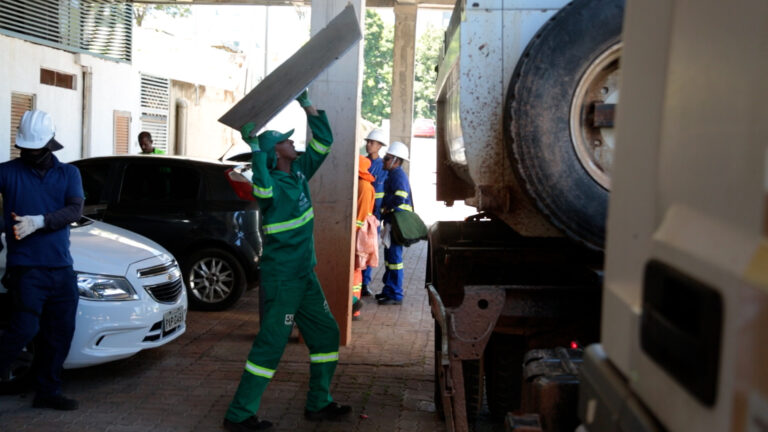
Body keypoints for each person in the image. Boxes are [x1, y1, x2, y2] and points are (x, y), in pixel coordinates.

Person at [223, 90, 351, 432]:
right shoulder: (272, 186)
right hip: (282, 280)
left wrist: (306, 104)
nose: (293, 145)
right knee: (271, 345)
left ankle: (319, 403)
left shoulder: (297, 174)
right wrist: (254, 148)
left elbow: (325, 141)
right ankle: (239, 415)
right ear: (274, 153)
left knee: (326, 335)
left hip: (304, 275)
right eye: (285, 142)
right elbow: (261, 190)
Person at [0, 110, 84, 410]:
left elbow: (74, 210)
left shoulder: (69, 174)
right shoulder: (6, 173)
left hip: (61, 269)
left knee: (59, 334)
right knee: (22, 330)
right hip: (27, 270)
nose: (30, 153)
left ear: (49, 143)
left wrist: (39, 222)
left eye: (35, 148)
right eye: (26, 148)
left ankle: (48, 392)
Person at [375, 141, 412, 306]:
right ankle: (388, 290)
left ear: (396, 160)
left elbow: (400, 196)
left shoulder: (398, 175)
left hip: (397, 221)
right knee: (390, 258)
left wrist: (386, 208)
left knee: (394, 259)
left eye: (387, 158)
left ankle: (395, 293)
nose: (383, 160)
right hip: (392, 220)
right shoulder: (393, 174)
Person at [360, 129, 388, 297]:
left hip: (375, 217)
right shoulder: (361, 163)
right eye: (368, 141)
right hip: (362, 214)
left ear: (379, 146)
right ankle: (357, 281)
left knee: (370, 250)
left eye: (372, 142)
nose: (369, 144)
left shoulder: (384, 166)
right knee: (359, 249)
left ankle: (365, 283)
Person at [352, 155, 377, 320]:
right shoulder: (364, 185)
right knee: (356, 271)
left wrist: (351, 235)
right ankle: (353, 307)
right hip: (361, 233)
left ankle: (353, 308)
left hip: (358, 235)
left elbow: (359, 217)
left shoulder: (363, 186)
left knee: (354, 270)